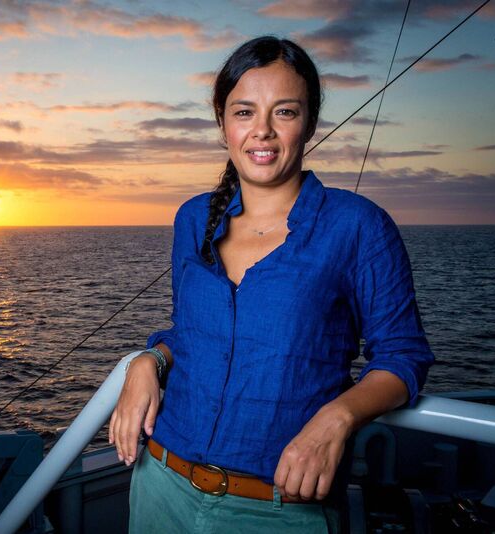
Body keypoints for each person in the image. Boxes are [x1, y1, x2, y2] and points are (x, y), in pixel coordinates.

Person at [108, 36, 435, 533]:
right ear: (222, 123)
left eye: (284, 111)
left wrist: (338, 418)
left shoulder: (359, 226)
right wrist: (146, 362)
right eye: (244, 112)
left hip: (279, 510)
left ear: (309, 121)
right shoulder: (193, 219)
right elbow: (190, 336)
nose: (262, 131)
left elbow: (403, 356)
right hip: (160, 486)